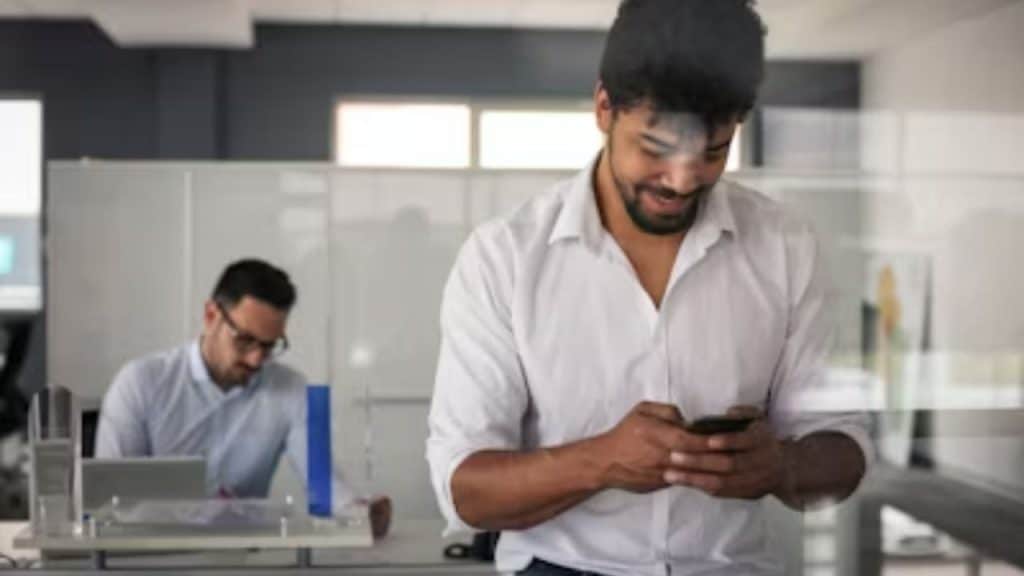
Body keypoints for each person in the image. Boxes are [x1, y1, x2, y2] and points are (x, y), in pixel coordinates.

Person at [426, 0, 870, 573]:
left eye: (714, 152)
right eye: (656, 149)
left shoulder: (786, 246)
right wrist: (601, 462)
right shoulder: (503, 258)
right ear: (604, 107)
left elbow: (845, 448)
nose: (683, 181)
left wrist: (781, 466)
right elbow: (466, 492)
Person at [96, 259, 391, 537]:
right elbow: (108, 503)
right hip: (148, 554)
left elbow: (324, 485)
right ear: (211, 316)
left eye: (269, 345)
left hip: (242, 557)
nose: (255, 359)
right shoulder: (141, 383)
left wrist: (358, 513)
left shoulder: (290, 389)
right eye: (245, 340)